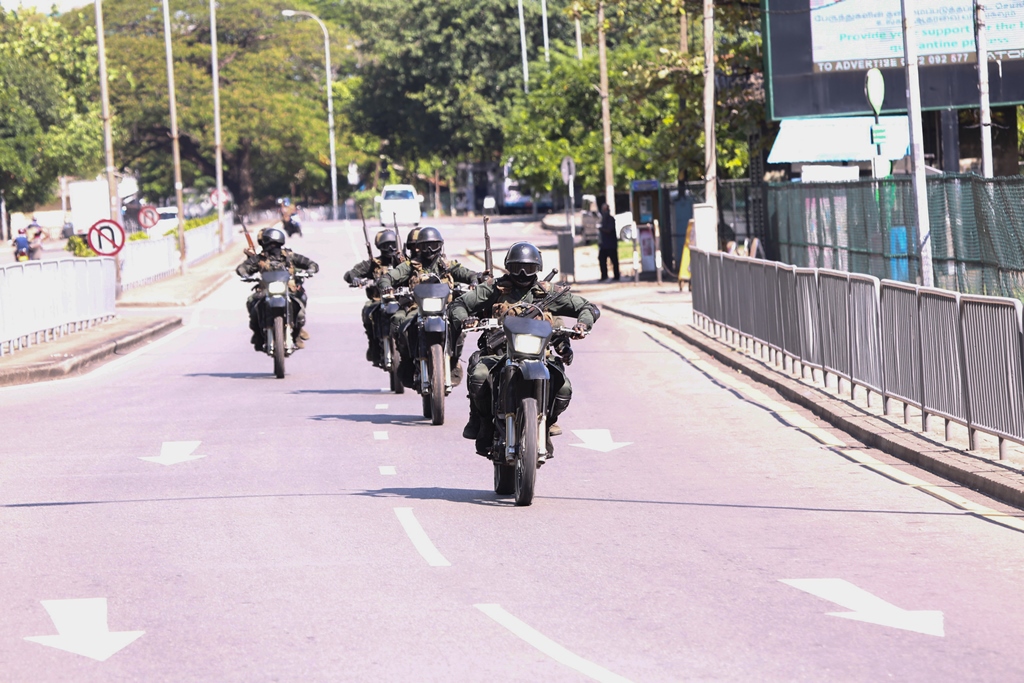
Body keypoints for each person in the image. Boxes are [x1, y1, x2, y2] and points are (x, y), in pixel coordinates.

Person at [450, 242, 599, 458]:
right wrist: (466, 320)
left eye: (528, 268)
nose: (522, 273)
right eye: (517, 267)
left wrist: (582, 325)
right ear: (508, 267)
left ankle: (547, 423)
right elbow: (459, 304)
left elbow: (588, 307)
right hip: (499, 355)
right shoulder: (493, 288)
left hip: (540, 356)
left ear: (537, 269)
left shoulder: (549, 294)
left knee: (564, 387)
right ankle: (483, 422)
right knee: (479, 375)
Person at [377, 226, 479, 385]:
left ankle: (452, 361)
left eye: (434, 245)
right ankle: (407, 361)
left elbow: (469, 274)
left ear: (441, 245)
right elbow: (389, 277)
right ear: (418, 247)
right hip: (417, 308)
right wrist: (386, 286)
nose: (430, 250)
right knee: (399, 323)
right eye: (425, 246)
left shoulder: (447, 265)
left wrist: (474, 280)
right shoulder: (410, 266)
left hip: (444, 308)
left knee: (460, 327)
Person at [236, 226, 319, 351]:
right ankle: (258, 334)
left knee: (301, 306)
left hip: (288, 290)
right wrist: (245, 274)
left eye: (275, 244)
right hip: (265, 290)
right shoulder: (259, 258)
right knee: (251, 302)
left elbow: (310, 264)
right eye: (270, 244)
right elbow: (243, 268)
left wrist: (310, 270)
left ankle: (296, 332)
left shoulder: (289, 256)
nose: (272, 247)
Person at [344, 230, 405, 364]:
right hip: (379, 301)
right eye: (385, 245)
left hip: (403, 301)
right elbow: (350, 274)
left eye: (393, 244)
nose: (390, 248)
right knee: (367, 311)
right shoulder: (373, 264)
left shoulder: (404, 262)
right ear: (379, 247)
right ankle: (373, 345)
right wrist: (355, 279)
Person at [598, 203, 620, 282]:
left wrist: (601, 229)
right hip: (604, 244)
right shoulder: (603, 220)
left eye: (605, 210)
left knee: (614, 261)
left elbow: (609, 230)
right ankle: (604, 276)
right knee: (602, 260)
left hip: (611, 244)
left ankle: (616, 276)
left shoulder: (611, 219)